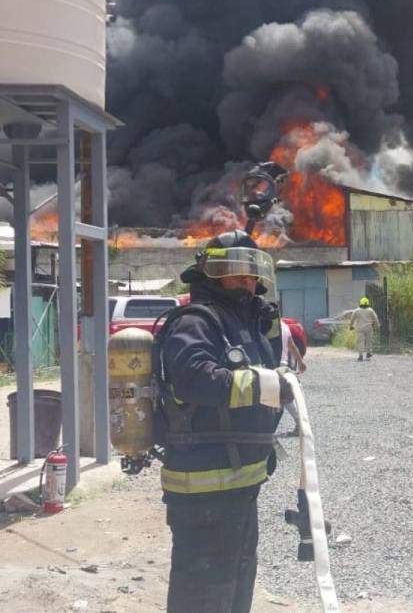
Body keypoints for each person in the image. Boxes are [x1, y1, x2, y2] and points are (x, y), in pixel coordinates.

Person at [156, 230, 294, 612]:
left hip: (240, 483)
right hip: (203, 485)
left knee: (236, 581)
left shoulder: (242, 322)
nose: (247, 284)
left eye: (252, 276)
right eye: (237, 274)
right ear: (212, 275)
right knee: (202, 590)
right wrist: (268, 384)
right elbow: (195, 378)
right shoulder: (195, 322)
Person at [279, 319, 307, 437]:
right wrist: (300, 362)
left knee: (285, 398)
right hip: (283, 365)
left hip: (273, 365)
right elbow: (292, 346)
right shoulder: (285, 326)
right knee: (286, 396)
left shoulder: (264, 324)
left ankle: (300, 424)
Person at [349, 297, 380, 361]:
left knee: (361, 342)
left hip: (360, 328)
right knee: (369, 341)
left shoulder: (356, 310)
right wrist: (377, 325)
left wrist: (351, 326)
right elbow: (375, 318)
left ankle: (360, 356)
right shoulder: (371, 310)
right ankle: (368, 353)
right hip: (369, 328)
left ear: (360, 303)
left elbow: (352, 319)